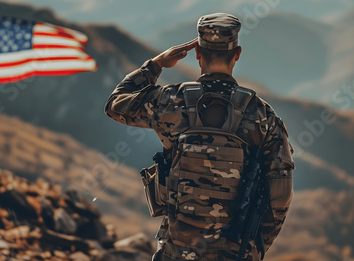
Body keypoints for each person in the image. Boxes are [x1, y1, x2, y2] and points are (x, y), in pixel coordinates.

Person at [105, 13, 295, 261]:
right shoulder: (262, 115)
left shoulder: (170, 102)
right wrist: (254, 246)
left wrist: (157, 64)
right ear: (237, 54)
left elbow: (115, 104)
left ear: (197, 54)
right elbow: (280, 195)